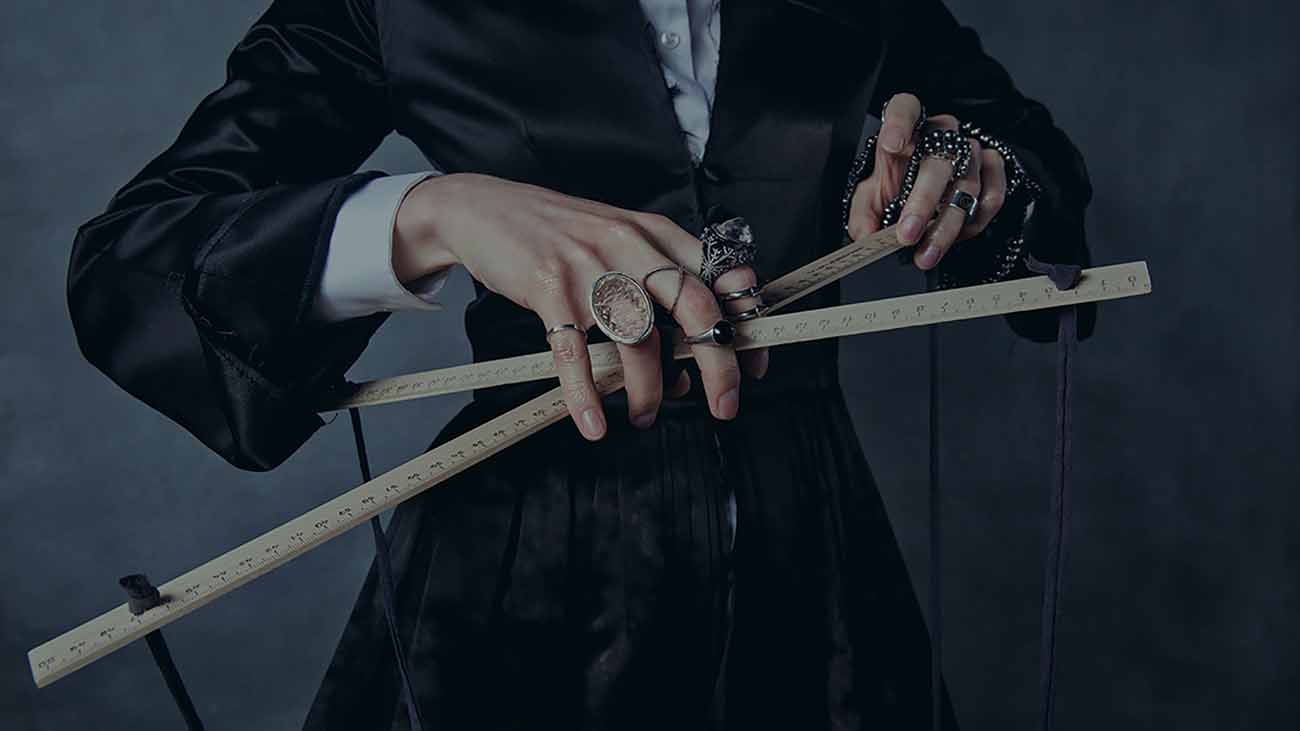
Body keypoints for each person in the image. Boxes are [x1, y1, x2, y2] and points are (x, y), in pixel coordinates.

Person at [67, 0, 1093, 728]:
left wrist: (975, 173)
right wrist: (435, 211)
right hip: (517, 564)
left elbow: (1044, 180)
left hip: (814, 553)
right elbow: (129, 269)